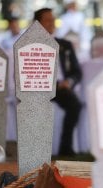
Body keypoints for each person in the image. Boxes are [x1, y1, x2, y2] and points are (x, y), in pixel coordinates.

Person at [34, 8, 82, 156]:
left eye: (53, 19)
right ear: (38, 24)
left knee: (75, 105)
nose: (52, 23)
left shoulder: (65, 45)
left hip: (61, 88)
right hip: (39, 88)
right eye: (47, 20)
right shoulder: (31, 46)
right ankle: (37, 150)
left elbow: (77, 72)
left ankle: (65, 149)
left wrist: (69, 81)